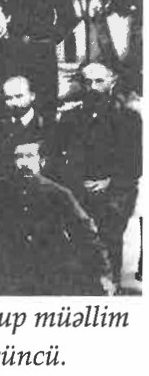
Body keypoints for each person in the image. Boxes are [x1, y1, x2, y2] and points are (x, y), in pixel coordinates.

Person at [0, 141, 114, 295]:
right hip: (9, 268)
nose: (23, 162)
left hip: (48, 270)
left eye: (29, 156)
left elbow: (85, 232)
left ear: (41, 162)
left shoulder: (58, 194)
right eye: (19, 157)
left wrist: (103, 274)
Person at [54, 63, 141, 288]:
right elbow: (61, 157)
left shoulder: (128, 118)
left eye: (99, 81)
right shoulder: (70, 118)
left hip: (115, 192)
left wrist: (109, 182)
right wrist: (76, 183)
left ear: (112, 81)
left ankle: (111, 288)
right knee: (81, 242)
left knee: (109, 241)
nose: (92, 87)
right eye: (87, 82)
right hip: (80, 190)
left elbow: (135, 163)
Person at [0, 0, 76, 118]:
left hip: (42, 52)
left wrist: (51, 39)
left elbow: (68, 18)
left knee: (45, 104)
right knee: (14, 101)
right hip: (13, 50)